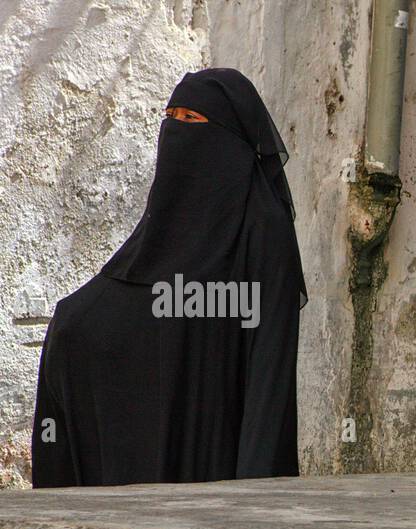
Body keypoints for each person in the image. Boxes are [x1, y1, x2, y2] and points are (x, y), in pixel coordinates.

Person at [31, 68, 306, 487]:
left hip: (217, 454)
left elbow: (271, 372)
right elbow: (129, 294)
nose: (176, 130)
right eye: (170, 116)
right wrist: (69, 326)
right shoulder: (170, 220)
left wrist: (256, 492)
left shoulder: (263, 228)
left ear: (231, 136)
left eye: (191, 119)